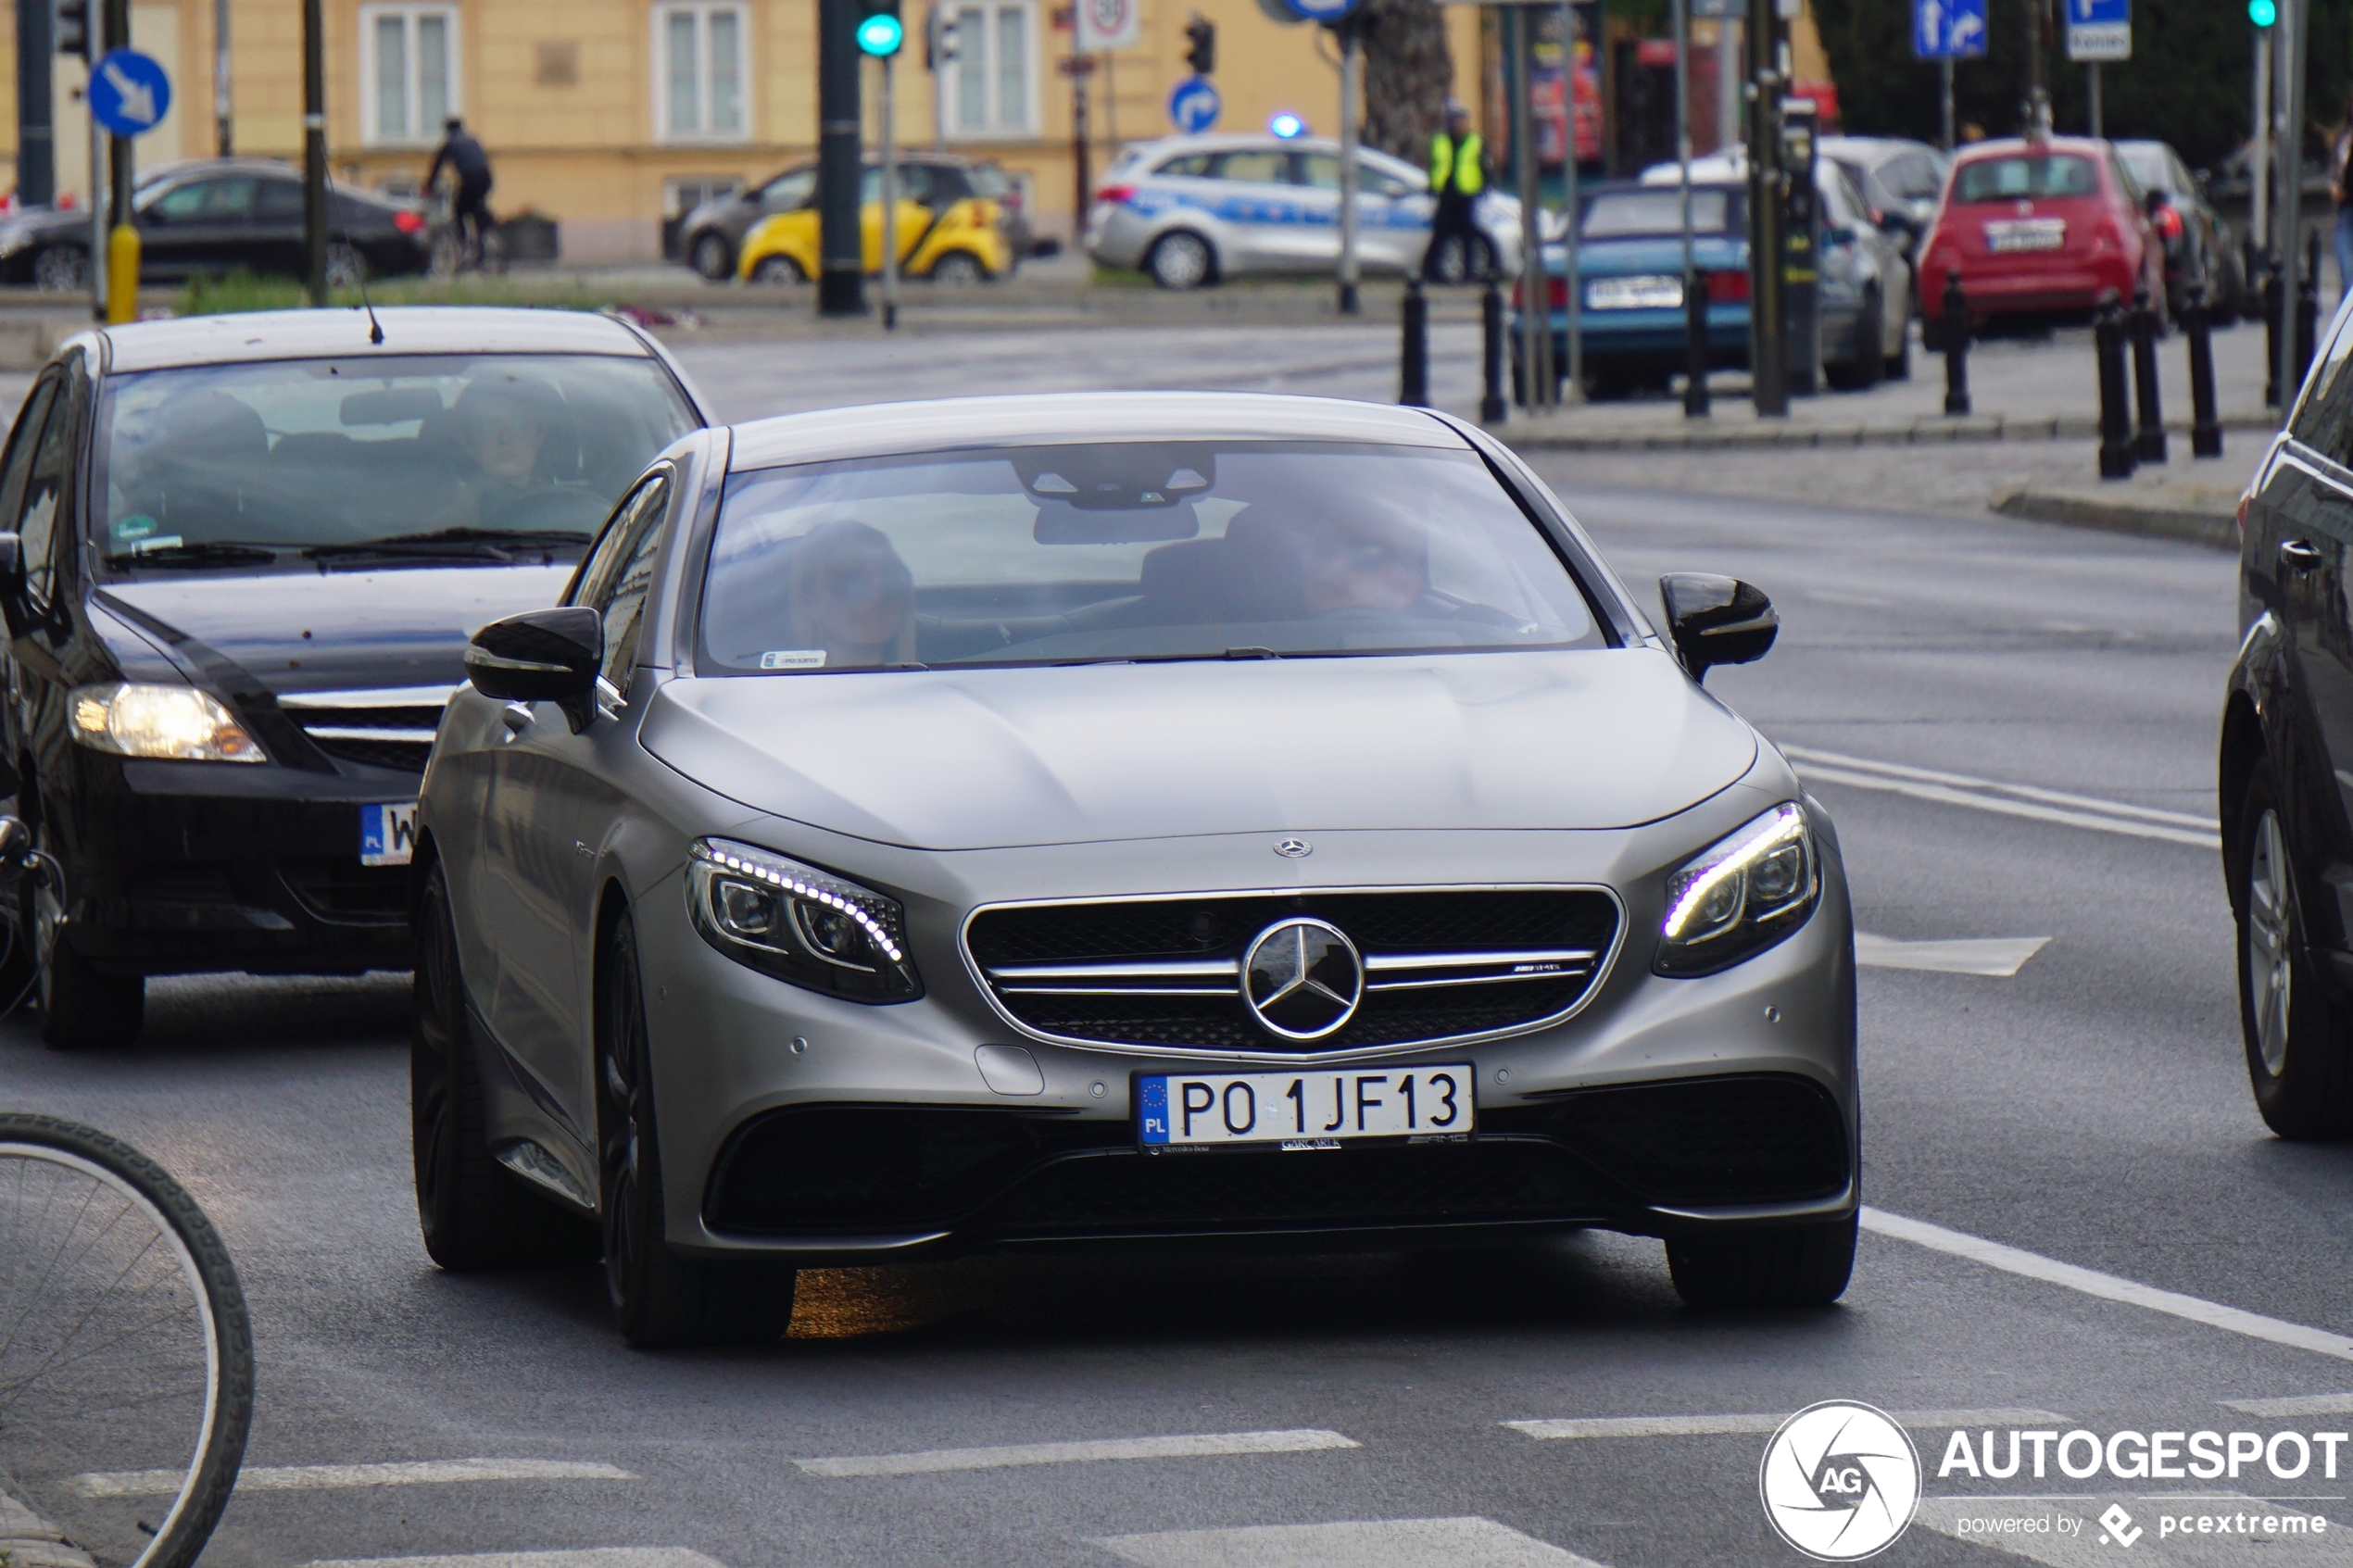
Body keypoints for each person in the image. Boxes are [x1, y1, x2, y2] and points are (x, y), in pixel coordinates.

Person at [779, 521, 917, 668]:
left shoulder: (940, 669)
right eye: (851, 579)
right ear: (808, 603)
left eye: (889, 575)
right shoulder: (768, 686)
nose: (877, 593)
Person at [1424, 102, 1486, 284]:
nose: (1461, 124)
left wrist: (1484, 186)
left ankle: (1469, 274)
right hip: (1446, 194)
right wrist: (1432, 187)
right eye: (1457, 120)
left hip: (1466, 195)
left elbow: (1483, 166)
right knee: (1440, 234)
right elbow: (1434, 165)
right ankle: (1432, 273)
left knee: (1467, 235)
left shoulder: (1475, 141)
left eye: (1463, 120)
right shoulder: (1440, 141)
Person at [425, 117, 495, 269]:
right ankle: (482, 242)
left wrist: (428, 186)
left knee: (459, 210)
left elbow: (436, 168)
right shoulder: (473, 140)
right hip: (486, 178)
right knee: (476, 207)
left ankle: (464, 246)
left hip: (469, 179)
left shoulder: (448, 145)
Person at [2332, 95, 2353, 299]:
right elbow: (2336, 169)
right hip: (2346, 209)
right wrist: (2335, 186)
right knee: (2348, 275)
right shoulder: (2344, 138)